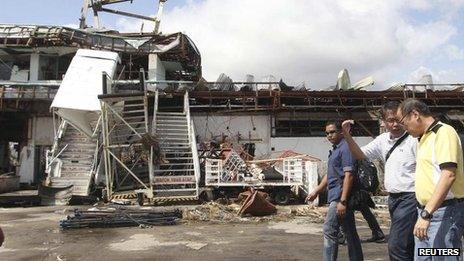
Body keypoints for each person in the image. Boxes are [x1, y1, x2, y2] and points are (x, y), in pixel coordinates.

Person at [341, 101, 417, 260]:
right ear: (384, 122)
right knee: (408, 244)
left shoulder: (414, 139)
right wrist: (347, 135)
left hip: (411, 197)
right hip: (394, 199)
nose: (395, 124)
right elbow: (360, 155)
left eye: (398, 119)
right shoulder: (382, 140)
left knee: (396, 245)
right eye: (391, 120)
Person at [398, 98, 464, 260]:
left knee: (444, 255)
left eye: (403, 123)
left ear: (415, 115)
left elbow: (448, 174)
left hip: (443, 212)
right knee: (424, 256)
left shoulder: (443, 132)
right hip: (426, 212)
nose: (404, 129)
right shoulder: (424, 138)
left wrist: (427, 214)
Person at [306, 121, 363, 261]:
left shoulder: (346, 148)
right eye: (327, 133)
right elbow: (330, 174)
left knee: (329, 231)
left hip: (340, 197)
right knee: (349, 232)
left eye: (332, 132)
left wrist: (342, 201)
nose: (329, 135)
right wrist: (316, 191)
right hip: (338, 196)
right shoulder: (336, 149)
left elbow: (349, 175)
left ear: (341, 132)